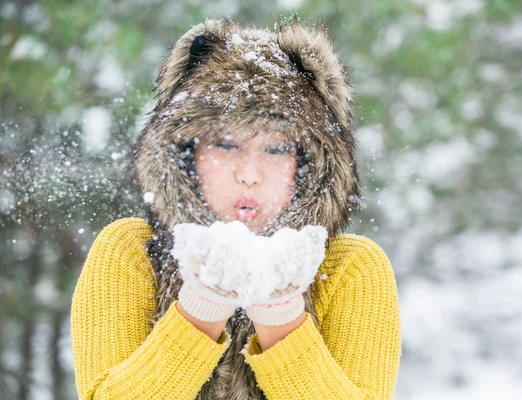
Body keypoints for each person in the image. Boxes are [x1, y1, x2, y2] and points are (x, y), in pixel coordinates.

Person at [70, 13, 402, 400]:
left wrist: (281, 315)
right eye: (226, 145)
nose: (249, 174)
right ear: (186, 155)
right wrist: (201, 308)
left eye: (276, 149)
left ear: (309, 165)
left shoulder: (350, 270)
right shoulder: (132, 253)